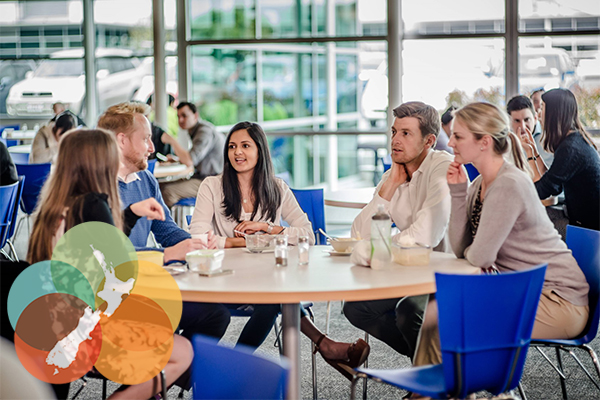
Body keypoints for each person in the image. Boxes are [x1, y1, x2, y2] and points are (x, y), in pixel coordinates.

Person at [411, 102, 589, 382]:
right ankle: (431, 392)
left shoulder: (509, 184)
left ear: (484, 142)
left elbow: (480, 257)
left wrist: (477, 250)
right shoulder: (478, 184)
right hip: (525, 291)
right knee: (438, 309)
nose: (450, 142)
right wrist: (457, 193)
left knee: (447, 314)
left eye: (458, 136)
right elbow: (462, 250)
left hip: (559, 303)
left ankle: (436, 392)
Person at [189, 121, 369, 380]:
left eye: (245, 146)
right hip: (226, 279)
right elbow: (198, 236)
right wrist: (237, 242)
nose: (237, 152)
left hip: (266, 278)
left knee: (276, 296)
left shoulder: (277, 187)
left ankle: (234, 368)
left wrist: (269, 228)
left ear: (260, 150)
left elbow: (307, 234)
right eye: (232, 146)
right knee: (277, 298)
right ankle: (323, 345)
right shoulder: (212, 186)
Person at [26, 128, 193, 400]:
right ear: (99, 162)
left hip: (52, 327)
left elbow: (98, 247)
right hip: (84, 334)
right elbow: (119, 266)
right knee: (182, 351)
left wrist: (130, 214)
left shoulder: (57, 206)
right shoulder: (92, 203)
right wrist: (166, 256)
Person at [97, 102, 231, 343]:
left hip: (146, 284)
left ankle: (159, 377)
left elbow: (165, 229)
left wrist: (194, 244)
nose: (152, 148)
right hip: (111, 293)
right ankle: (155, 375)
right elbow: (109, 257)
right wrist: (167, 253)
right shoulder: (97, 191)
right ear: (121, 141)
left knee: (216, 314)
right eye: (146, 139)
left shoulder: (146, 179)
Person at [343, 101, 454, 361]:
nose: (396, 140)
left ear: (428, 141)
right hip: (411, 273)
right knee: (355, 309)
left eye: (406, 133)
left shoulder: (443, 166)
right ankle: (437, 364)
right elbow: (359, 234)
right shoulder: (393, 175)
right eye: (394, 132)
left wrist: (378, 248)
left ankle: (434, 380)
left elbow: (427, 234)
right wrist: (390, 187)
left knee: (409, 310)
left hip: (451, 274)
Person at [526, 88, 600, 231]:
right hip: (581, 220)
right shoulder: (574, 140)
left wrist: (513, 194)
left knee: (531, 220)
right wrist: (532, 151)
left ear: (555, 113)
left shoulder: (570, 148)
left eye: (542, 107)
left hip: (587, 229)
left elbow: (546, 188)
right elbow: (554, 183)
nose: (539, 113)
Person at [159, 101, 225, 208]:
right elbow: (195, 157)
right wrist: (177, 159)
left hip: (214, 182)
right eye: (178, 116)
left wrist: (172, 140)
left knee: (167, 192)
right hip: (202, 178)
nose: (180, 120)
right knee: (158, 186)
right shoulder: (197, 131)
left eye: (184, 116)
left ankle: (171, 224)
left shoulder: (204, 131)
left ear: (195, 115)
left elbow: (190, 161)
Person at [507, 95, 554, 168]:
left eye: (526, 120)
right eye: (517, 121)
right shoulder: (505, 140)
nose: (522, 126)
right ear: (509, 122)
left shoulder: (549, 137)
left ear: (535, 118)